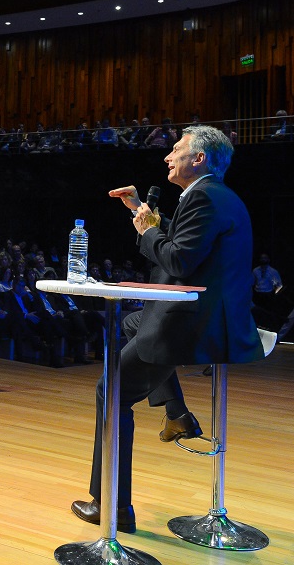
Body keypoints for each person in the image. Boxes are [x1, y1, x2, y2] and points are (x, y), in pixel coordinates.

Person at [72, 125, 265, 533]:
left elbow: (176, 262)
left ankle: (111, 508)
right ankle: (176, 413)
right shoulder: (210, 196)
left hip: (196, 325)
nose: (167, 156)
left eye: (175, 149)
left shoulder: (206, 198)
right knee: (133, 321)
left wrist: (147, 230)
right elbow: (182, 251)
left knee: (110, 391)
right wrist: (142, 212)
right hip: (206, 318)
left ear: (199, 159)